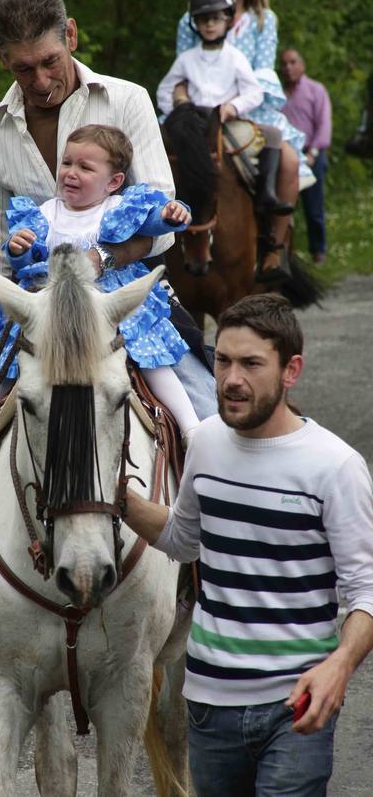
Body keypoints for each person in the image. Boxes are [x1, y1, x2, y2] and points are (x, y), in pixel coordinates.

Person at [0, 0, 217, 557]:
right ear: (1, 56)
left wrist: (102, 259)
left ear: (71, 35)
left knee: (210, 423)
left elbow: (161, 218)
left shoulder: (125, 100)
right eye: (24, 68)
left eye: (50, 61)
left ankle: (217, 582)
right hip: (28, 311)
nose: (41, 80)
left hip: (125, 302)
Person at [123, 293, 373, 796]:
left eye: (251, 364)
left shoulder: (335, 466)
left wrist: (338, 668)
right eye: (222, 360)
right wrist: (110, 496)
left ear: (291, 370)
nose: (231, 378)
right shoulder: (207, 443)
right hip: (209, 708)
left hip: (295, 708)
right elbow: (183, 539)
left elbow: (366, 591)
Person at [0, 124, 200, 457]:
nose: (71, 172)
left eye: (85, 167)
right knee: (10, 358)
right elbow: (29, 257)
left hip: (106, 301)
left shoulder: (116, 209)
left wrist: (171, 214)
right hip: (51, 300)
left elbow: (153, 221)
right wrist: (18, 248)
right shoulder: (44, 212)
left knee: (151, 354)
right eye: (67, 163)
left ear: (113, 182)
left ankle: (190, 427)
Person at [171, 0, 316, 281]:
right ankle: (155, 239)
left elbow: (263, 70)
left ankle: (274, 249)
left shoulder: (263, 20)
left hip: (249, 105)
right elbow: (181, 68)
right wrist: (182, 101)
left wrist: (233, 102)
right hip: (198, 109)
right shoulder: (188, 19)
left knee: (290, 161)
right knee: (158, 155)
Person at [157, 0, 292, 217]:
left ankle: (265, 194)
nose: (209, 25)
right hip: (192, 119)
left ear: (228, 20)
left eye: (216, 19)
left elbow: (254, 92)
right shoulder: (186, 59)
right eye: (203, 19)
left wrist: (233, 106)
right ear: (195, 23)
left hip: (224, 119)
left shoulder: (235, 57)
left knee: (273, 135)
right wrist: (178, 109)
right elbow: (164, 89)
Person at [280, 48, 332, 265]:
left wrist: (312, 153)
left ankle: (318, 251)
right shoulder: (276, 92)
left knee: (313, 208)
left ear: (302, 65)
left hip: (311, 153)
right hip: (284, 154)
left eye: (293, 62)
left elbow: (324, 125)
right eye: (284, 64)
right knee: (281, 206)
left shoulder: (316, 90)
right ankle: (282, 252)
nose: (288, 67)